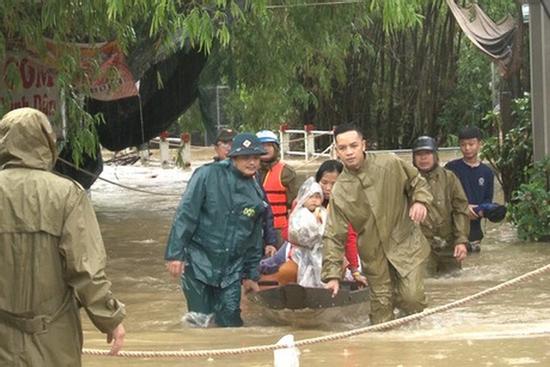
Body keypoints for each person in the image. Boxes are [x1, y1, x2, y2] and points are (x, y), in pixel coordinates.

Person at [0, 108, 126, 366]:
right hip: (54, 340)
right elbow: (86, 270)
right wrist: (110, 320)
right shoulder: (67, 195)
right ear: (46, 141)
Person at [322, 124, 433, 325]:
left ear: (363, 145)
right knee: (382, 313)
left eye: (353, 146)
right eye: (343, 148)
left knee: (412, 298)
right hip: (373, 255)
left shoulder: (389, 163)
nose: (349, 152)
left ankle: (417, 344)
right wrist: (332, 275)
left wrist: (420, 201)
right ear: (336, 152)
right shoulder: (340, 191)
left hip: (405, 243)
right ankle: (387, 350)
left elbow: (417, 182)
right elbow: (333, 234)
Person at [165, 133, 267, 327]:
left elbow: (254, 238)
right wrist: (175, 254)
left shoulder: (255, 192)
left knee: (231, 321)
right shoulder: (206, 175)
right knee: (199, 320)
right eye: (246, 157)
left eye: (255, 157)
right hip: (199, 261)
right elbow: (186, 214)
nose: (252, 162)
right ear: (233, 157)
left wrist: (251, 275)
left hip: (232, 269)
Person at [412, 136, 469, 276]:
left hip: (448, 245)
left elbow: (460, 210)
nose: (423, 158)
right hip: (420, 247)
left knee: (454, 283)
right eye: (419, 154)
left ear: (436, 155)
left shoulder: (449, 178)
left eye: (427, 153)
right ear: (413, 158)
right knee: (424, 285)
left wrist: (461, 240)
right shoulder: (408, 180)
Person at [445, 126, 495, 252]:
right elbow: (443, 197)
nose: (467, 148)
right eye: (463, 145)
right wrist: (463, 208)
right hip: (453, 231)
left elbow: (487, 200)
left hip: (475, 234)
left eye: (471, 144)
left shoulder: (487, 172)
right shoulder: (450, 169)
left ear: (479, 144)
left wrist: (480, 210)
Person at [256, 130, 299, 247]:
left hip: (279, 229)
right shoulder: (249, 171)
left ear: (276, 148)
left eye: (269, 145)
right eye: (261, 145)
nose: (265, 149)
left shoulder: (286, 172)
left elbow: (295, 204)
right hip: (255, 229)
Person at [287, 177, 327, 287]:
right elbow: (294, 233)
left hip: (320, 252)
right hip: (301, 252)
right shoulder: (299, 214)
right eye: (310, 197)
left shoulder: (323, 213)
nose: (314, 200)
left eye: (317, 197)